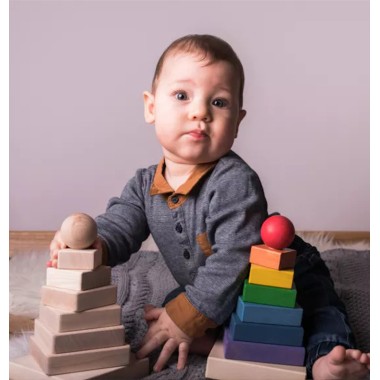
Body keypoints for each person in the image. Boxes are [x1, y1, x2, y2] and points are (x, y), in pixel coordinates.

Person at [49, 34, 369, 379]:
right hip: (214, 282)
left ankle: (328, 359)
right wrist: (97, 244)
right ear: (151, 107)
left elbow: (235, 257)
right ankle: (219, 332)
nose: (200, 111)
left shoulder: (234, 181)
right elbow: (121, 221)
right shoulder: (145, 184)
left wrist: (190, 315)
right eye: (182, 96)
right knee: (176, 302)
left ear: (237, 122)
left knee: (318, 308)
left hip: (278, 271)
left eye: (218, 102)